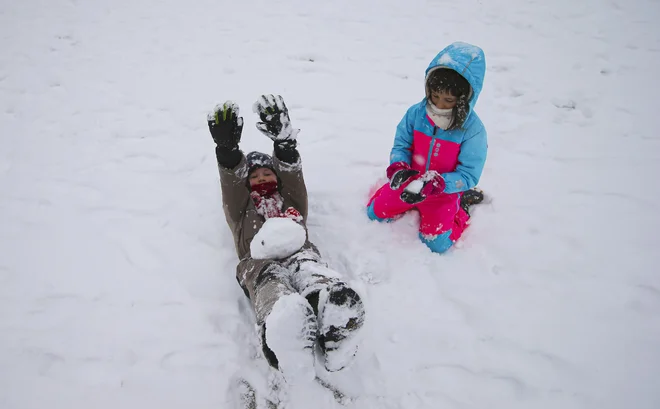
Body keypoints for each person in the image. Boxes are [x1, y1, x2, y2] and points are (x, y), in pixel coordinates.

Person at [207, 95, 365, 380]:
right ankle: (284, 328)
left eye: (268, 172)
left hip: (299, 251)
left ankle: (332, 310)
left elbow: (293, 176)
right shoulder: (242, 209)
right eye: (254, 177)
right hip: (259, 262)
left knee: (310, 269)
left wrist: (285, 146)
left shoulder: (290, 198)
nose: (262, 178)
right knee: (272, 284)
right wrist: (228, 153)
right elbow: (232, 185)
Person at [367, 42, 488, 253]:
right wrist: (399, 167)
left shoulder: (472, 130)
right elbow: (402, 144)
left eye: (448, 100)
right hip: (410, 182)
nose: (439, 105)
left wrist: (440, 184)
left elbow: (468, 173)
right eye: (435, 96)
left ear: (463, 98)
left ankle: (462, 206)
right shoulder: (416, 114)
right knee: (373, 213)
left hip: (442, 192)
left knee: (437, 244)